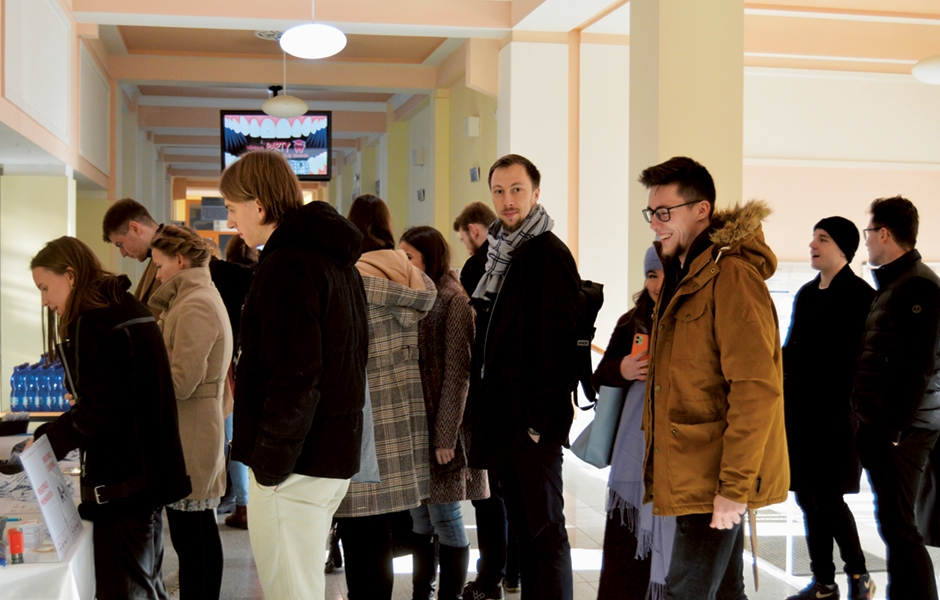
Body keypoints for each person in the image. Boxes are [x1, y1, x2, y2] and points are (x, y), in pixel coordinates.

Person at [220, 150, 369, 600]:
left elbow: (296, 376)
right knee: (300, 584)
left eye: (232, 209)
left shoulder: (289, 265)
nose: (230, 223)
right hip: (328, 454)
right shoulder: (333, 261)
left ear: (259, 206)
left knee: (290, 590)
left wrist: (269, 464)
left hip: (297, 463)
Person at [639, 156, 788, 600]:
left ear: (701, 209)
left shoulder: (732, 276)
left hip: (715, 477)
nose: (655, 225)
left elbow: (756, 389)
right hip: (695, 468)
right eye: (651, 213)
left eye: (665, 213)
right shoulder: (687, 273)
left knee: (687, 591)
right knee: (724, 592)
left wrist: (734, 488)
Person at [29, 236, 191, 600]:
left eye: (45, 288)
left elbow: (99, 412)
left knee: (126, 589)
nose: (44, 300)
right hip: (149, 472)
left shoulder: (93, 319)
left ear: (69, 276)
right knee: (146, 582)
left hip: (125, 481)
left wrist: (45, 440)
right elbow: (120, 392)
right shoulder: (122, 305)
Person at [466, 154, 580, 600]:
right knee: (522, 529)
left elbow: (558, 345)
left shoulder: (547, 254)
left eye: (516, 190)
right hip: (501, 421)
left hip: (532, 426)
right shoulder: (494, 256)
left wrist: (535, 424)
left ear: (535, 193)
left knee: (546, 532)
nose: (507, 200)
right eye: (498, 191)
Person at [334, 194, 438, 600]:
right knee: (384, 533)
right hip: (403, 424)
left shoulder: (349, 281)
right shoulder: (412, 278)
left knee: (360, 536)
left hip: (362, 423)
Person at [852, 196, 940, 600]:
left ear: (884, 233)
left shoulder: (917, 285)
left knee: (901, 528)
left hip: (907, 430)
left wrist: (892, 429)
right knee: (893, 524)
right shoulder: (895, 285)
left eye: (869, 232)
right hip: (890, 428)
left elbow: (917, 367)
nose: (866, 241)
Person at [783, 217, 875, 600]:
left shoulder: (860, 296)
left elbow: (857, 362)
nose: (812, 245)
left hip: (835, 417)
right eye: (813, 238)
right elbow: (791, 349)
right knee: (806, 497)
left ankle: (858, 575)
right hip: (800, 414)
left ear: (844, 249)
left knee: (828, 497)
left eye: (822, 239)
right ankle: (823, 582)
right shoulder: (806, 293)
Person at [400, 226, 489, 600]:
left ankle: (449, 595)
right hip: (418, 424)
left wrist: (445, 437)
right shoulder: (414, 294)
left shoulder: (453, 300)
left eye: (410, 257)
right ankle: (423, 591)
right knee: (420, 516)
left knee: (446, 517)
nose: (403, 264)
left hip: (444, 425)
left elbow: (458, 374)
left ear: (429, 258)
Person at [148, 225, 233, 600]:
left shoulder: (195, 302)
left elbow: (182, 380)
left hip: (192, 429)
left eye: (159, 265)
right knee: (197, 529)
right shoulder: (196, 295)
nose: (158, 274)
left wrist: (150, 365)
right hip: (196, 424)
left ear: (180, 261)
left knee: (192, 535)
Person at [592, 245, 676, 600]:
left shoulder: (695, 322)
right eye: (652, 275)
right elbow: (600, 376)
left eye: (666, 274)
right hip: (632, 459)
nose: (658, 283)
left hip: (673, 456)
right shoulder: (632, 322)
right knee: (625, 556)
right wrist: (623, 369)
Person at [455, 201, 520, 599]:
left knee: (488, 493)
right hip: (513, 394)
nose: (465, 245)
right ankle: (511, 570)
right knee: (509, 492)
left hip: (486, 394)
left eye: (464, 238)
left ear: (476, 231)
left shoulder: (476, 269)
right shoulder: (516, 261)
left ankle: (490, 575)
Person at [102, 198, 164, 313]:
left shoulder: (173, 253)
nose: (123, 253)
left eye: (120, 244)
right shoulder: (160, 252)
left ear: (135, 229)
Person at [453, 202, 497, 298]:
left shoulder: (473, 267)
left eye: (463, 240)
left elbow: (468, 311)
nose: (468, 250)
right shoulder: (519, 252)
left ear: (473, 231)